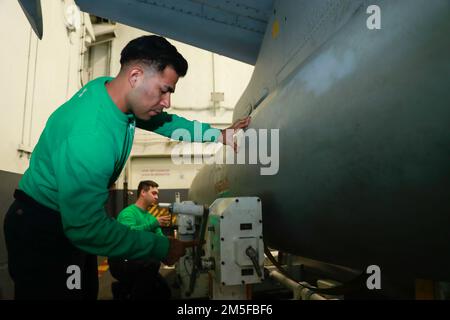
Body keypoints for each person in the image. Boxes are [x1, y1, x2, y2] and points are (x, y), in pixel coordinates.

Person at [3, 35, 250, 300]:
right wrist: (160, 246)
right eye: (164, 90)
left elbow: (165, 122)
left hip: (64, 221)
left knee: (83, 291)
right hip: (43, 229)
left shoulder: (108, 90)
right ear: (135, 76)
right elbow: (86, 229)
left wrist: (219, 135)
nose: (167, 101)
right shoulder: (91, 136)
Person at [109, 180, 171, 300]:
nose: (156, 197)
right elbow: (128, 234)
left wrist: (169, 247)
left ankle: (122, 289)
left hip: (138, 259)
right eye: (154, 193)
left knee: (164, 291)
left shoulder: (150, 217)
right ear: (143, 192)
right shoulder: (128, 213)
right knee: (152, 264)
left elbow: (160, 237)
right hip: (122, 260)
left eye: (157, 194)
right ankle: (129, 292)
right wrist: (152, 225)